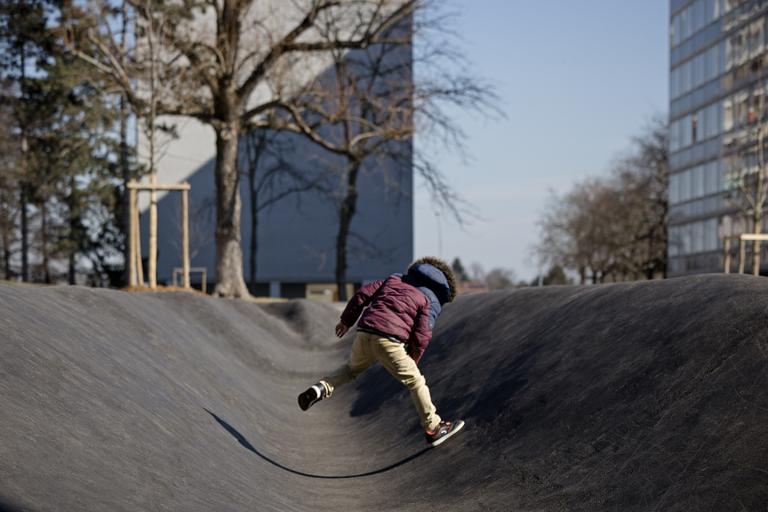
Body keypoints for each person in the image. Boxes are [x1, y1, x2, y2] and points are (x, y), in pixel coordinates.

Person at [297, 257, 464, 447]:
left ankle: (321, 387)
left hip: (365, 332)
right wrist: (414, 357)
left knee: (351, 369)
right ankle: (434, 428)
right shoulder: (431, 299)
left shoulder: (394, 279)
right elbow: (422, 334)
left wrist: (346, 321)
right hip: (390, 340)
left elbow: (362, 294)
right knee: (416, 381)